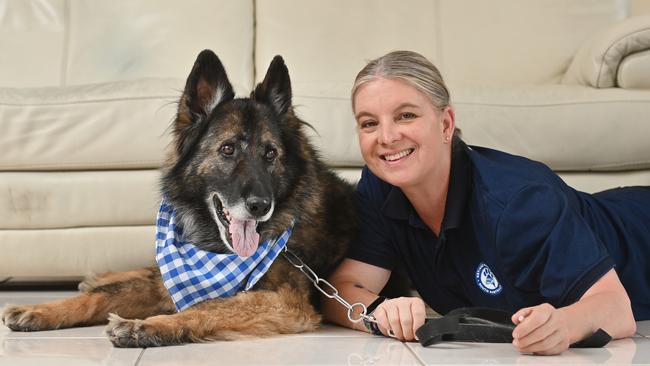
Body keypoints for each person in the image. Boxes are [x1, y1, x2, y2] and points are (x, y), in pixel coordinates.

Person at [321, 50, 650, 356]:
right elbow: (342, 288)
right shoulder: (381, 185)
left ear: (446, 124)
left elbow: (616, 309)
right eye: (369, 123)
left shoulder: (519, 201)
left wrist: (563, 324)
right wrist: (377, 312)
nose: (387, 137)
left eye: (405, 115)